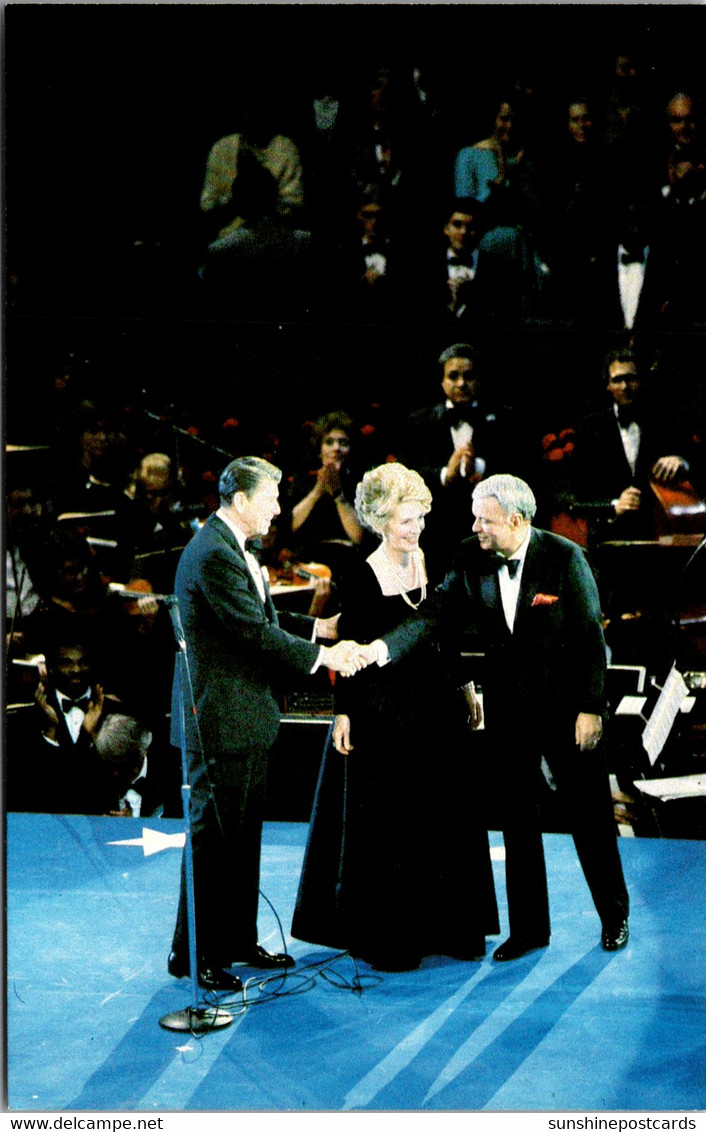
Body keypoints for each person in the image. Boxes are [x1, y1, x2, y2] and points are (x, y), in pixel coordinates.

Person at [361, 473, 630, 961]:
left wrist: (591, 708)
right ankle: (529, 930)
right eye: (474, 517)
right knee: (516, 822)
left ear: (516, 519)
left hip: (570, 712)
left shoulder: (565, 557)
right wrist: (382, 647)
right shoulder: (469, 555)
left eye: (484, 519)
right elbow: (432, 615)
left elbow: (592, 639)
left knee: (589, 818)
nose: (475, 527)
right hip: (508, 714)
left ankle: (614, 916)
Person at [167, 456, 365, 994]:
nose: (278, 508)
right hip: (217, 720)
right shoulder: (212, 553)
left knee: (242, 837)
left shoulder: (232, 547)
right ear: (241, 499)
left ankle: (235, 941)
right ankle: (196, 956)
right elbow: (251, 632)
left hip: (243, 718)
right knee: (213, 839)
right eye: (272, 497)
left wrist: (318, 626)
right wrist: (324, 657)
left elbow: (261, 618)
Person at [291, 462, 499, 970]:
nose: (416, 530)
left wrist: (466, 689)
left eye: (420, 519)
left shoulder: (429, 559)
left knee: (446, 813)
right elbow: (349, 651)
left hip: (437, 709)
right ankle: (395, 936)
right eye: (407, 522)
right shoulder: (360, 575)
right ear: (382, 522)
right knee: (397, 823)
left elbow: (441, 635)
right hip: (385, 715)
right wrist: (343, 714)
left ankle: (447, 927)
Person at [288, 411, 366, 594]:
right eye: (329, 442)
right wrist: (317, 491)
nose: (336, 448)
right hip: (307, 561)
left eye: (343, 442)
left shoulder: (359, 483)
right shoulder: (303, 481)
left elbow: (358, 537)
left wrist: (338, 494)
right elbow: (290, 526)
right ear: (319, 449)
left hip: (346, 561)